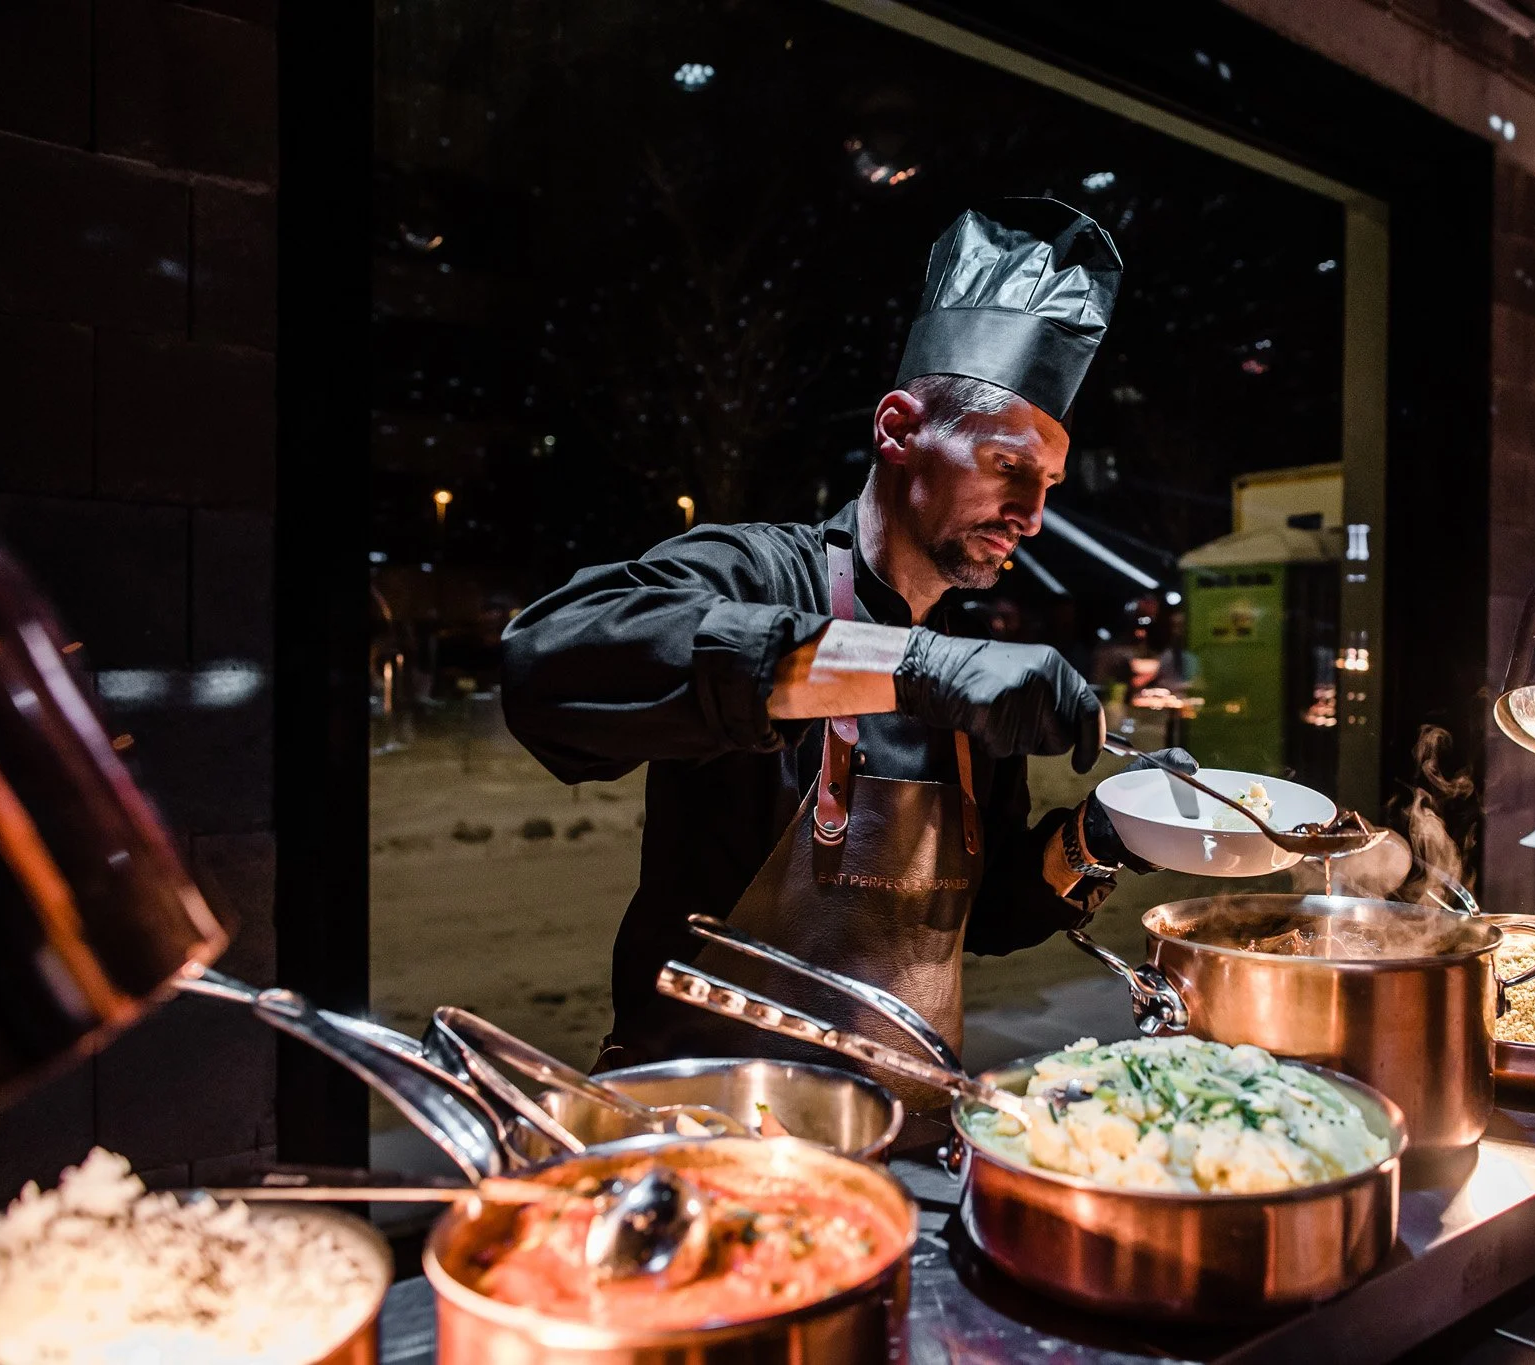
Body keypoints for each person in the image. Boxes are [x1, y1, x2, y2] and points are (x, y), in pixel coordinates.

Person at [499, 201, 1183, 1104]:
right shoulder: (759, 574)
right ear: (899, 430)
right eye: (1008, 466)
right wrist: (910, 667)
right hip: (698, 1138)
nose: (1034, 515)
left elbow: (972, 922)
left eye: (1048, 485)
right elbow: (545, 662)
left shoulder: (977, 671)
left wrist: (1102, 832)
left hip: (899, 1145)